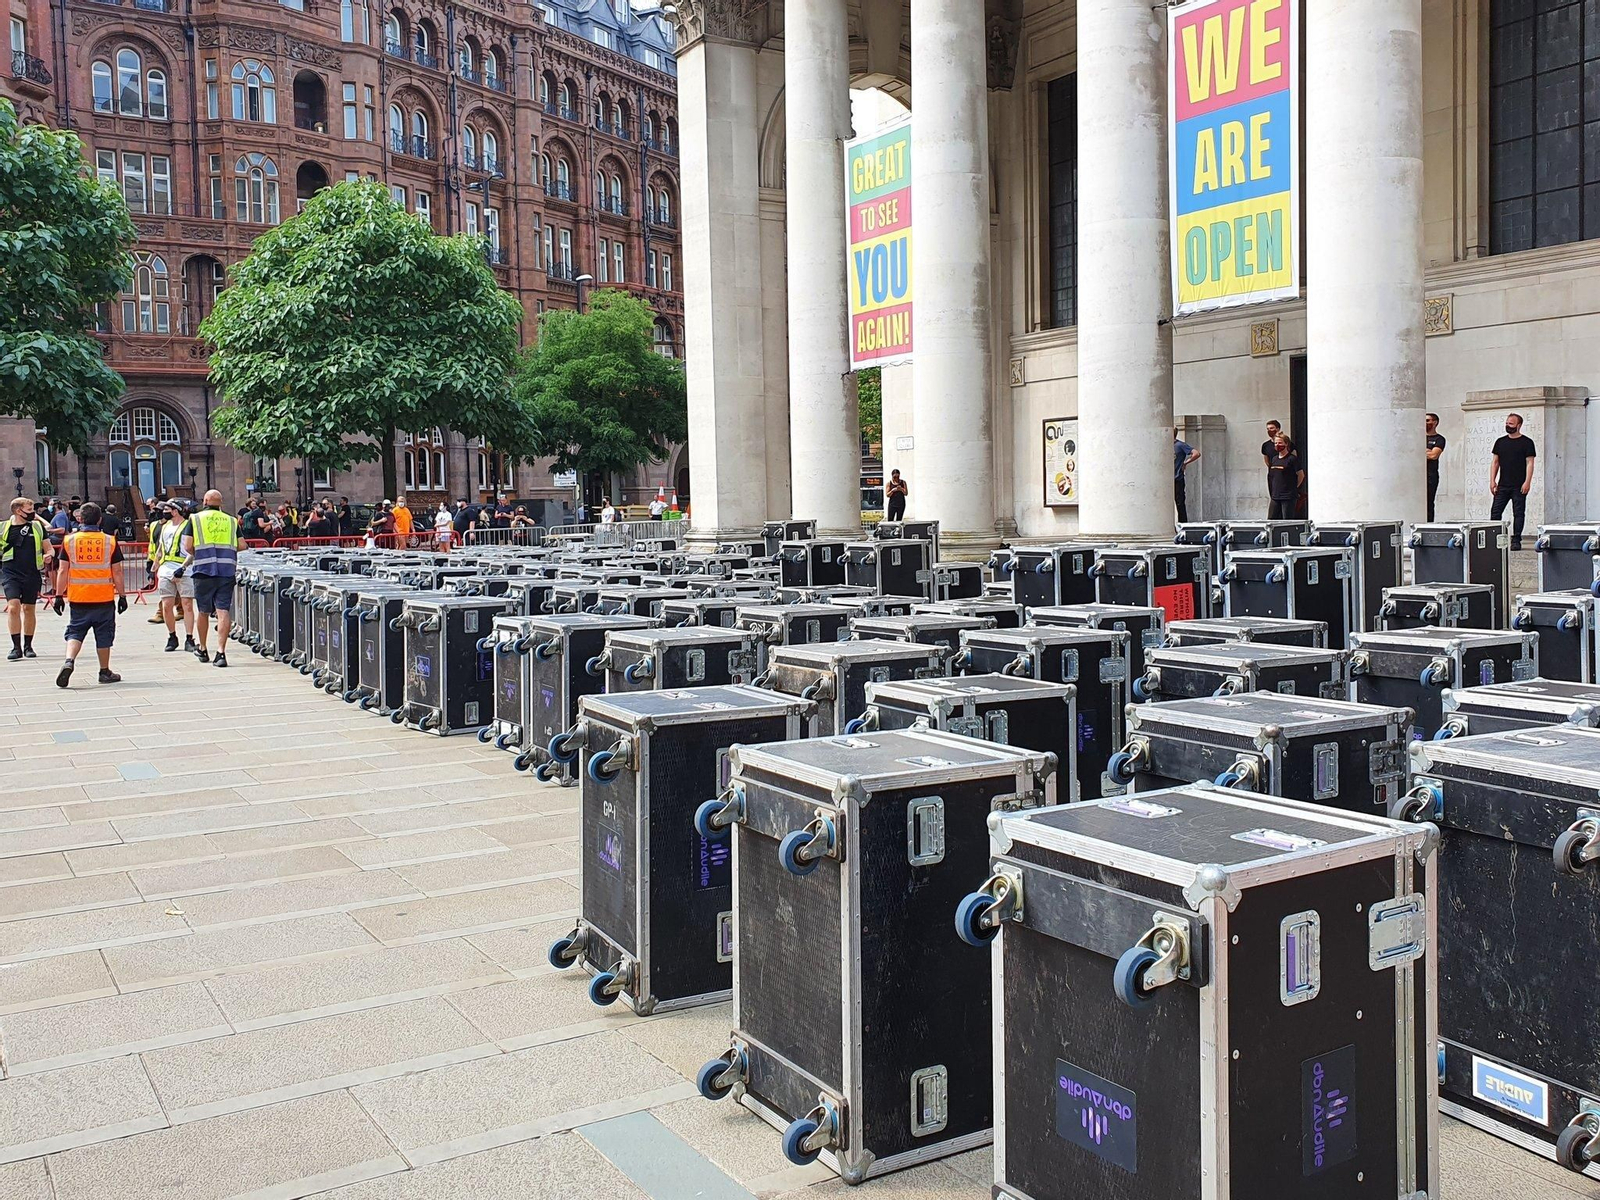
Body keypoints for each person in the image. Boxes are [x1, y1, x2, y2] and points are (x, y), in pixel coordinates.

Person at [52, 502, 125, 687]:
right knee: (104, 634)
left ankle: (69, 660)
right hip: (103, 597)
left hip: (79, 597)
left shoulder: (69, 541)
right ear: (100, 520)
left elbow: (62, 570)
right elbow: (117, 571)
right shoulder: (110, 541)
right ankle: (104, 671)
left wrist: (58, 596)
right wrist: (123, 596)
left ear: (80, 519)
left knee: (75, 631)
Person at [179, 489, 246, 667]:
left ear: (205, 501)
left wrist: (200, 553)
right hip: (226, 570)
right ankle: (221, 652)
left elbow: (187, 545)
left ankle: (202, 648)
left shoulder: (195, 519)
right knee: (223, 611)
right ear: (221, 503)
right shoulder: (231, 520)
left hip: (204, 569)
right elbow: (242, 545)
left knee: (203, 611)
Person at [3, 497, 49, 660]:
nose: (33, 513)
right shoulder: (3, 528)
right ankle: (16, 647)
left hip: (31, 573)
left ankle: (28, 646)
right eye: (29, 510)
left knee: (29, 609)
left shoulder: (37, 527)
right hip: (10, 572)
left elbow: (49, 548)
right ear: (18, 511)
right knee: (13, 606)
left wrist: (49, 555)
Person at [152, 502, 197, 653]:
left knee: (187, 604)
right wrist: (155, 564)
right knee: (166, 605)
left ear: (175, 511)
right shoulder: (165, 526)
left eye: (167, 509)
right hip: (166, 569)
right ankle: (172, 636)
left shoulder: (188, 526)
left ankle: (189, 638)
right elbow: (161, 548)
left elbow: (192, 549)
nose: (163, 512)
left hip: (184, 569)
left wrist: (183, 567)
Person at [1490, 412, 1537, 551]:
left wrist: (1527, 482)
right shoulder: (1500, 442)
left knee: (1518, 513)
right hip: (1503, 484)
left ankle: (1516, 540)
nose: (1508, 426)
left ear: (1519, 425)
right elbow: (1495, 462)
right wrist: (1492, 481)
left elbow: (1530, 463)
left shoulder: (1527, 442)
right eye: (1507, 423)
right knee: (1495, 512)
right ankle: (1495, 538)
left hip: (1519, 485)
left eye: (1511, 424)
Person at [1266, 433, 1304, 520]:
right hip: (1275, 495)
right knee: (1271, 519)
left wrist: (1293, 487)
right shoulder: (1274, 459)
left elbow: (1301, 475)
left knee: (1287, 519)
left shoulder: (1292, 459)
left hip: (1288, 496)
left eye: (1280, 443)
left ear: (1286, 444)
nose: (1277, 445)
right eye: (1276, 443)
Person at [1173, 431, 1201, 524]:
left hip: (1177, 478)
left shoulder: (1180, 445)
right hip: (1169, 479)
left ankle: (1183, 524)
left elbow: (1196, 453)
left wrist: (1185, 463)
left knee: (1180, 502)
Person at [1425, 412, 1446, 523]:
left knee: (1429, 502)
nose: (1425, 423)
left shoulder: (1439, 439)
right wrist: (1426, 451)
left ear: (1435, 422)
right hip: (1417, 475)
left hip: (1430, 475)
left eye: (1427, 420)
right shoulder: (1418, 437)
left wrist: (1420, 452)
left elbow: (1434, 455)